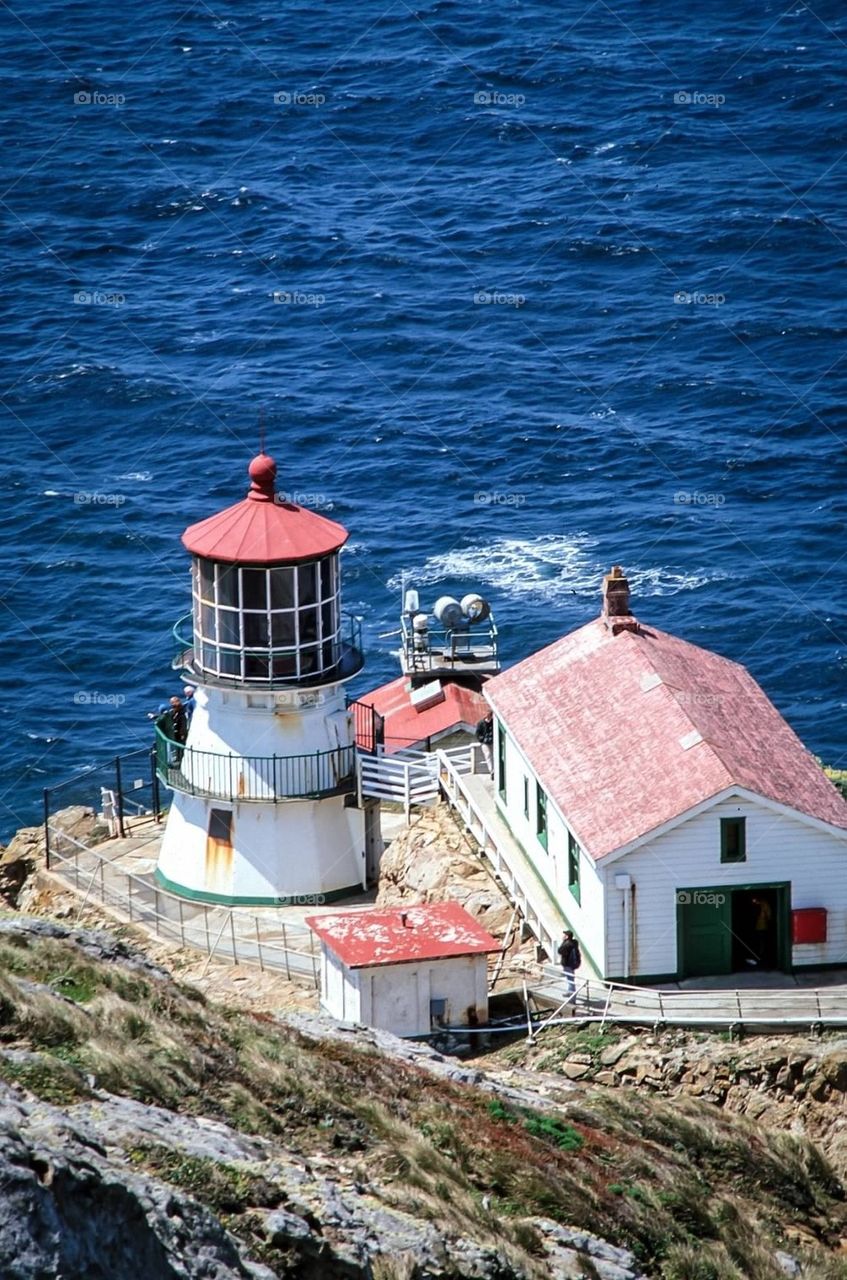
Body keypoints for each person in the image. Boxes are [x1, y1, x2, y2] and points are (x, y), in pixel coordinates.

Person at [557, 929, 581, 1000]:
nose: (563, 936)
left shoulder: (567, 944)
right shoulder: (575, 942)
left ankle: (572, 996)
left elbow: (560, 950)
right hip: (573, 964)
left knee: (570, 980)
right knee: (571, 978)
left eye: (565, 935)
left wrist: (563, 941)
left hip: (568, 964)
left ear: (567, 937)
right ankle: (569, 992)